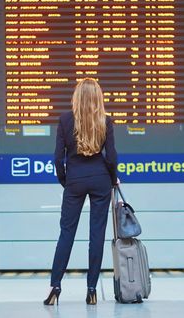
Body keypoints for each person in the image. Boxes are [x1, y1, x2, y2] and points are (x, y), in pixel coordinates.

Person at [43, 78, 118, 305]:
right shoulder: (106, 121)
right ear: (98, 97)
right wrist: (113, 180)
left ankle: (56, 287)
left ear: (76, 97)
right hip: (100, 180)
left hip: (74, 179)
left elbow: (57, 158)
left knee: (66, 233)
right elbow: (112, 157)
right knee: (97, 234)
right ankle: (92, 289)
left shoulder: (65, 120)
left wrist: (66, 181)